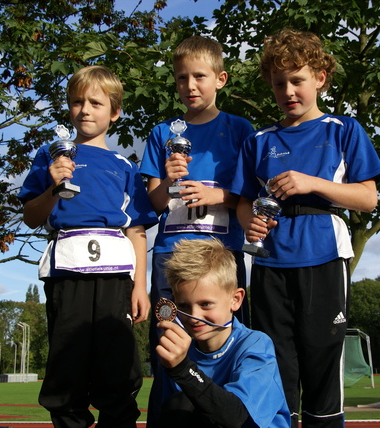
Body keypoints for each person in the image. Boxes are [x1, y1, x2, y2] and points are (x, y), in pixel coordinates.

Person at [230, 29, 380, 428]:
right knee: (274, 361)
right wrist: (250, 223)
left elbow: (368, 198)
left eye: (297, 80)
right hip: (268, 264)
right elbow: (243, 201)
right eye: (279, 83)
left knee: (321, 356)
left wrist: (311, 183)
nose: (288, 91)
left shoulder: (343, 129)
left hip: (324, 254)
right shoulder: (259, 141)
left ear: (319, 77)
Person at [18, 65, 158, 428]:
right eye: (77, 101)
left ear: (114, 112)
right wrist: (52, 186)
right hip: (67, 274)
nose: (85, 109)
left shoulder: (124, 165)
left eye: (96, 102)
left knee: (117, 368)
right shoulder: (51, 156)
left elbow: (138, 230)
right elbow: (31, 217)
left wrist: (140, 286)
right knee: (68, 367)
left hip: (115, 278)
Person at [139, 35, 254, 376]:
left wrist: (218, 196)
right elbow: (153, 203)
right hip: (170, 256)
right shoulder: (162, 134)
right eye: (182, 78)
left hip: (222, 253)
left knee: (222, 350)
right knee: (168, 349)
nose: (190, 85)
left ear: (220, 79)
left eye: (199, 76)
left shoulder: (240, 129)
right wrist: (168, 181)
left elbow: (250, 197)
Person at [148, 238, 290, 428]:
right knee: (177, 407)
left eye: (205, 304)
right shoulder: (181, 354)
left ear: (236, 300)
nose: (194, 316)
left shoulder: (255, 344)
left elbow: (235, 416)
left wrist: (183, 369)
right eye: (183, 306)